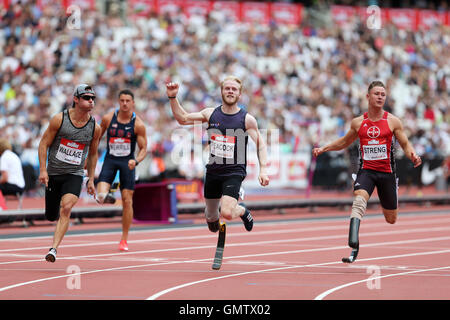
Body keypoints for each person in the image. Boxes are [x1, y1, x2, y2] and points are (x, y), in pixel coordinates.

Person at [312, 80, 422, 263]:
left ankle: (384, 201)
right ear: (368, 96)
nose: (380, 97)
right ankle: (353, 242)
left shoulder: (393, 121)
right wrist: (324, 148)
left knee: (391, 219)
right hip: (367, 171)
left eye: (383, 94)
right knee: (358, 201)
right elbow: (344, 142)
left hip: (387, 173)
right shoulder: (358, 122)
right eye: (376, 94)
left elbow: (404, 142)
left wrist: (413, 155)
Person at [166, 75, 270, 233]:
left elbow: (261, 144)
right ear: (221, 92)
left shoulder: (247, 120)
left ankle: (241, 210)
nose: (230, 91)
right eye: (227, 88)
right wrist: (173, 97)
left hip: (234, 172)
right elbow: (183, 118)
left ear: (239, 94)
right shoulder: (210, 114)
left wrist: (263, 169)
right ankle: (214, 218)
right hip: (213, 171)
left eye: (234, 89)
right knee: (212, 219)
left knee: (227, 213)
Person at [38, 84, 102, 262]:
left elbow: (93, 154)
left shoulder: (95, 127)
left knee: (66, 208)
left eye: (93, 99)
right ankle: (54, 216)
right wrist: (43, 170)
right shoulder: (59, 119)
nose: (91, 102)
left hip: (74, 174)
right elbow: (44, 144)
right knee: (51, 215)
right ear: (76, 99)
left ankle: (53, 249)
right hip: (53, 173)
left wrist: (90, 179)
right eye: (87, 98)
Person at [96, 89, 147, 251]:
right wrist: (90, 157)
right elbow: (96, 138)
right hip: (110, 159)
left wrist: (136, 160)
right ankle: (107, 196)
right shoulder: (108, 118)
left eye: (128, 101)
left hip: (127, 162)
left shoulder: (138, 124)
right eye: (122, 100)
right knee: (101, 195)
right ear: (119, 102)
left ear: (133, 103)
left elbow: (144, 148)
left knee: (127, 200)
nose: (125, 103)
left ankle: (124, 239)